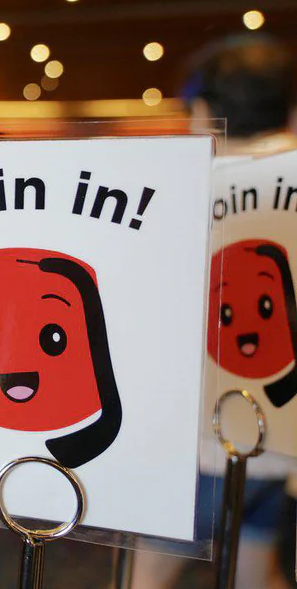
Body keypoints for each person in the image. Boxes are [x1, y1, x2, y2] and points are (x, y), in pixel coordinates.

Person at [131, 35, 295, 589]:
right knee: (254, 567)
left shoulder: (179, 194)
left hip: (198, 442)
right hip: (284, 437)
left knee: (148, 572)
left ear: (203, 112)